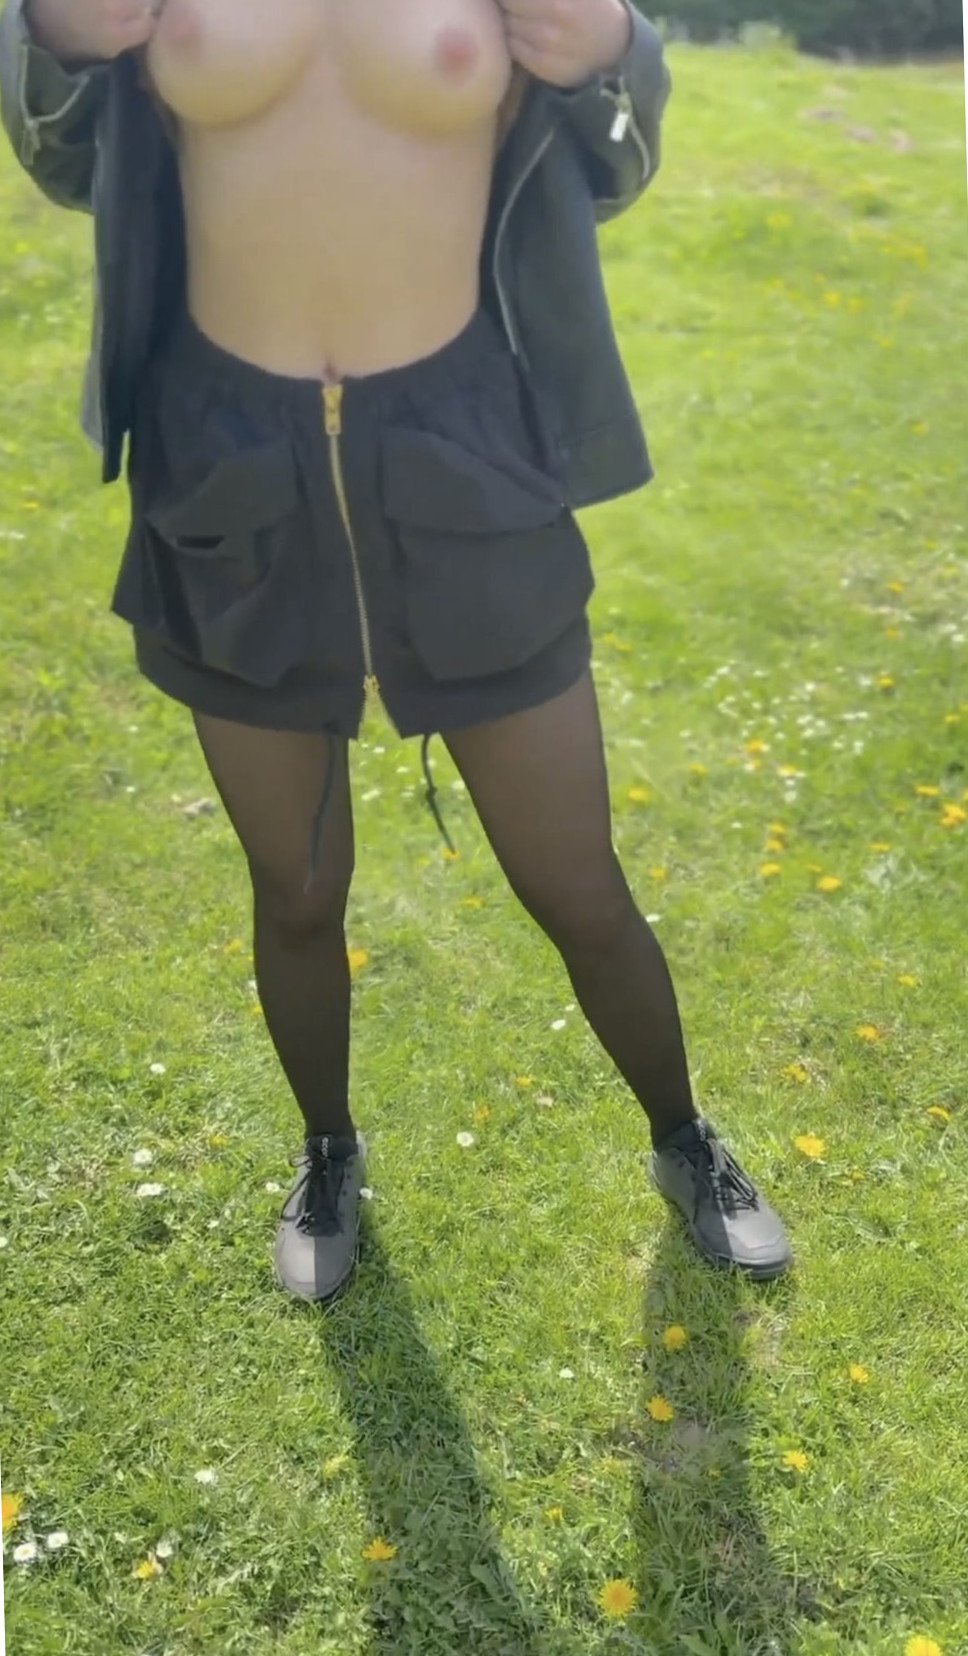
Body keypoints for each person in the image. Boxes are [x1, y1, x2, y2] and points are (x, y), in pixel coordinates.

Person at [0, 0, 793, 1304]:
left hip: (463, 452)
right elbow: (63, 151)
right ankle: (329, 1153)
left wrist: (614, 50)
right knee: (297, 889)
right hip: (228, 468)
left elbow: (614, 160)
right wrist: (54, 35)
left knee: (575, 882)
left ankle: (683, 1138)